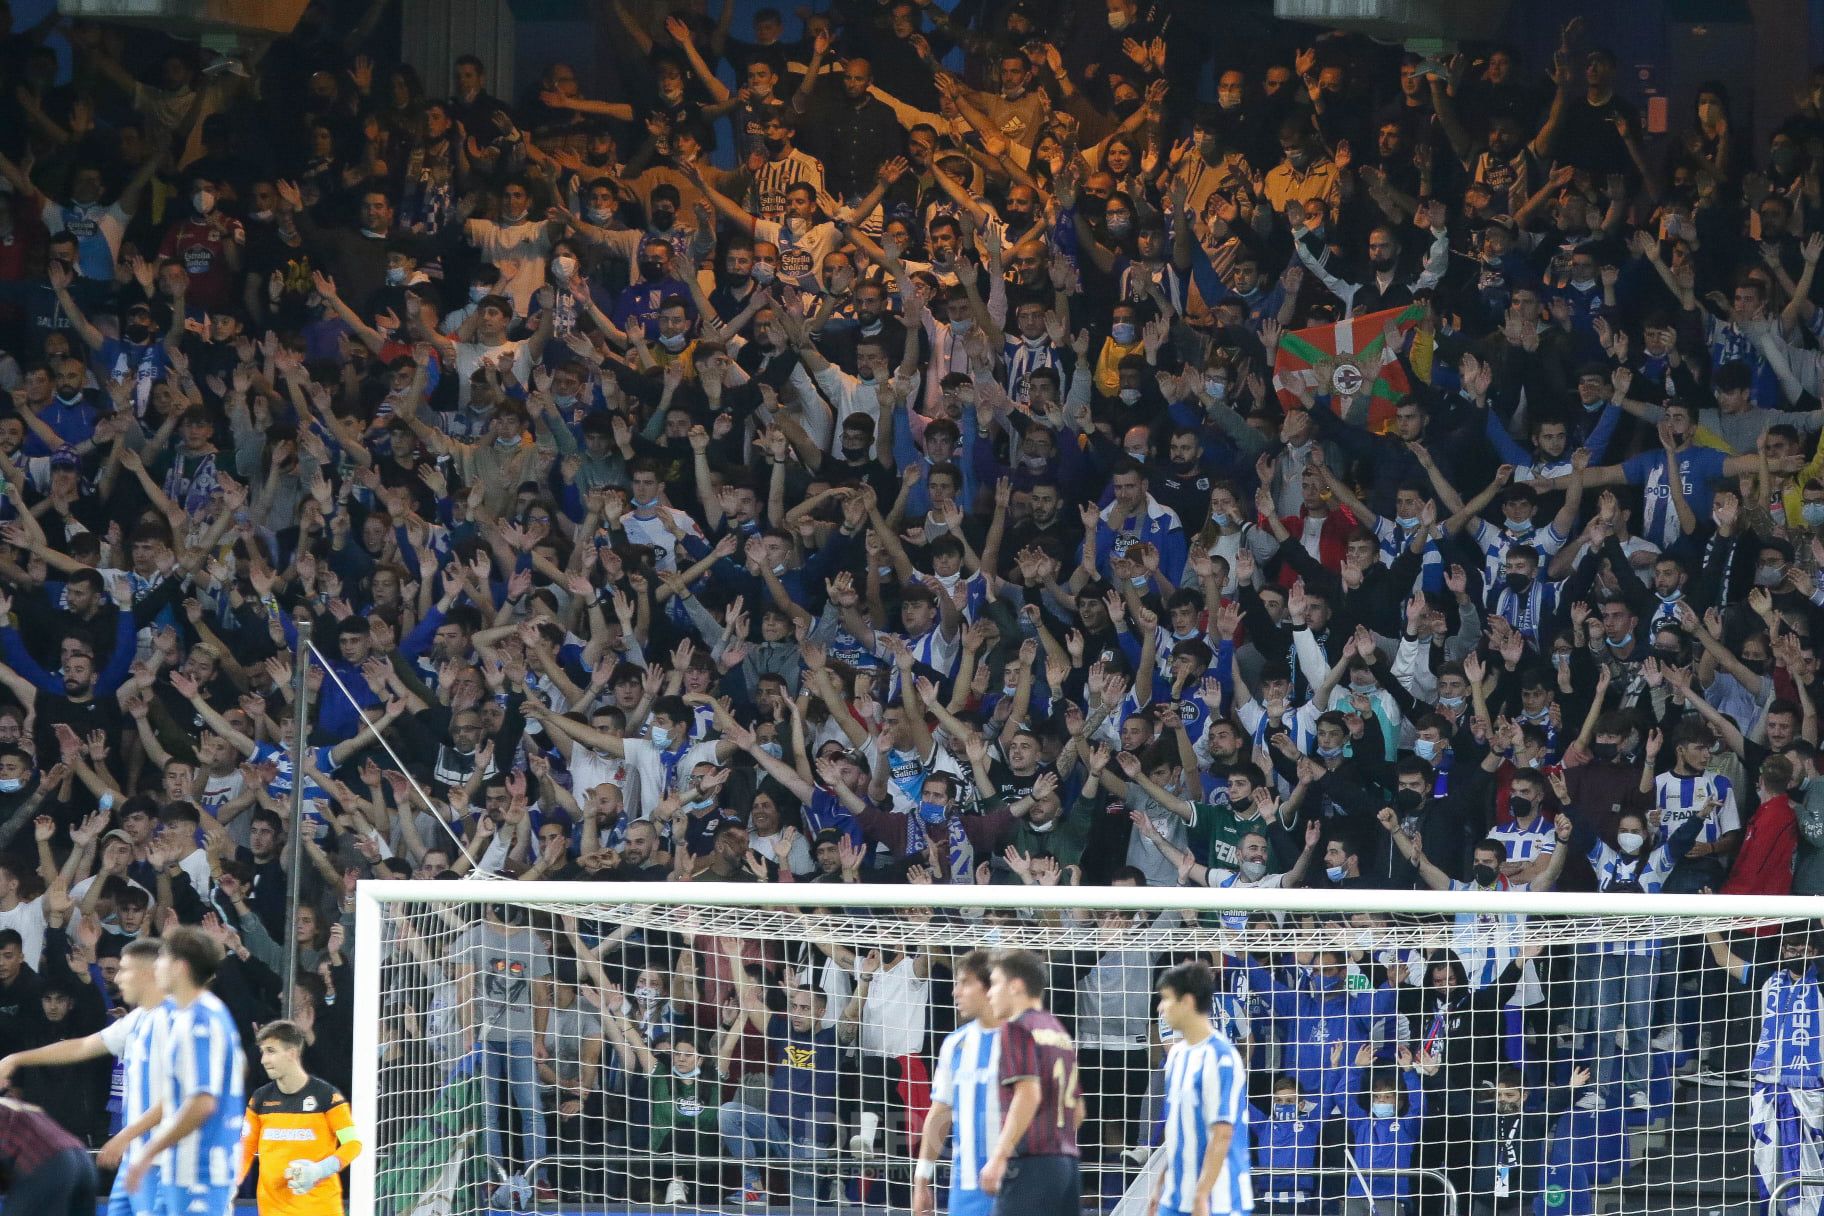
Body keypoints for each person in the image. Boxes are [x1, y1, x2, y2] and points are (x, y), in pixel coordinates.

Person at [0, 938, 168, 1216]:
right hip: (138, 1156)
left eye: (124, 969)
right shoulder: (138, 1020)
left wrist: (126, 1135)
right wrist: (16, 1058)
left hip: (167, 1158)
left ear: (149, 973)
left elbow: (187, 1098)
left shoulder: (178, 1022)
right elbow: (82, 1046)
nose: (117, 977)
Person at [127, 926, 245, 1216]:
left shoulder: (197, 1020)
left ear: (180, 968)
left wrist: (149, 1151)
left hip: (200, 1172)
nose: (156, 966)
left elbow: (203, 1101)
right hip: (181, 1168)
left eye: (162, 958)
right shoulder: (205, 1011)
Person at [979, 949, 1081, 1216]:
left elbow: (1028, 1094)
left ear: (1016, 986)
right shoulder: (1058, 1031)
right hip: (1066, 1165)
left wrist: (999, 1156)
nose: (989, 993)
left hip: (1031, 1165)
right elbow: (1078, 1111)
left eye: (996, 983)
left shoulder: (1017, 1028)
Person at [1147, 960, 1253, 1216]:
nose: (1160, 1008)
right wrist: (1159, 1188)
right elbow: (1177, 1132)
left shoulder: (1222, 1058)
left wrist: (1202, 1195)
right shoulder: (1177, 1056)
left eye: (1166, 999)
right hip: (1175, 1197)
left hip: (1218, 1200)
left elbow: (1222, 1134)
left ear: (1187, 1002)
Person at [239, 1020, 362, 1216]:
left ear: (292, 1053)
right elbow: (245, 1150)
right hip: (272, 1211)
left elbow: (353, 1143)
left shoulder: (327, 1096)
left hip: (319, 1209)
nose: (263, 1060)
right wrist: (229, 1189)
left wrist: (320, 1170)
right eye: (263, 1052)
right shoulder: (259, 1099)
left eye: (271, 1051)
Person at [915, 948, 1002, 1216]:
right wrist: (921, 1179)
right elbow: (939, 1113)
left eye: (964, 983)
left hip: (1020, 1183)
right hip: (966, 1189)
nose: (955, 992)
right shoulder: (954, 1044)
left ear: (989, 987)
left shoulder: (1026, 1039)